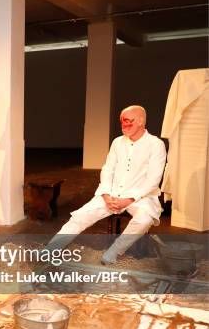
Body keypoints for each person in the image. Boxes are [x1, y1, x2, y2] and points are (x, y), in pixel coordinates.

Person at [46, 105, 167, 265]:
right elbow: (107, 169)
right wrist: (105, 194)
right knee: (80, 217)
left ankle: (114, 251)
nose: (124, 125)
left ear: (140, 121)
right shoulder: (117, 142)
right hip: (112, 193)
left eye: (128, 122)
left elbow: (153, 180)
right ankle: (50, 249)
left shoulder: (155, 145)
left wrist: (129, 200)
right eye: (122, 122)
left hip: (141, 197)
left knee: (144, 219)